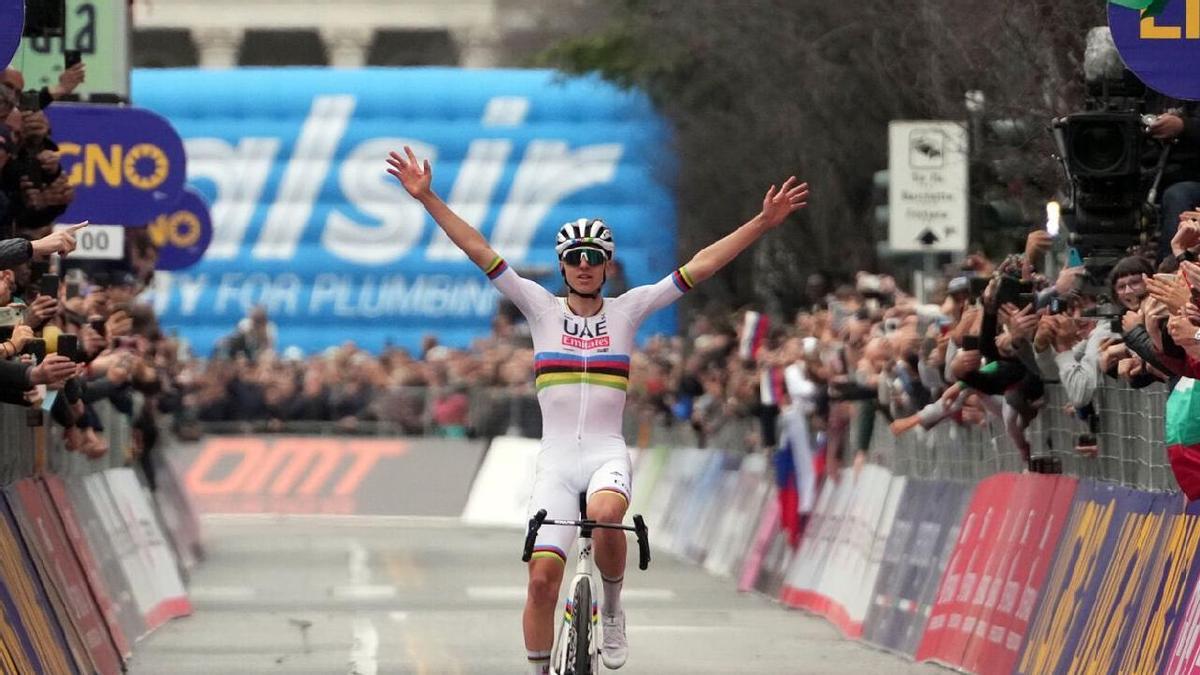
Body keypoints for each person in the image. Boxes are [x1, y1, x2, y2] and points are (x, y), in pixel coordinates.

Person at [386, 145, 808, 674]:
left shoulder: (629, 310)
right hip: (556, 463)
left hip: (606, 452)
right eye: (574, 258)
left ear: (607, 265)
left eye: (594, 257)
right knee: (541, 582)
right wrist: (428, 199)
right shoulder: (539, 306)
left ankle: (611, 612)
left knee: (607, 517)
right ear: (562, 266)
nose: (584, 266)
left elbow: (700, 266)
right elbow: (479, 249)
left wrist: (762, 224)